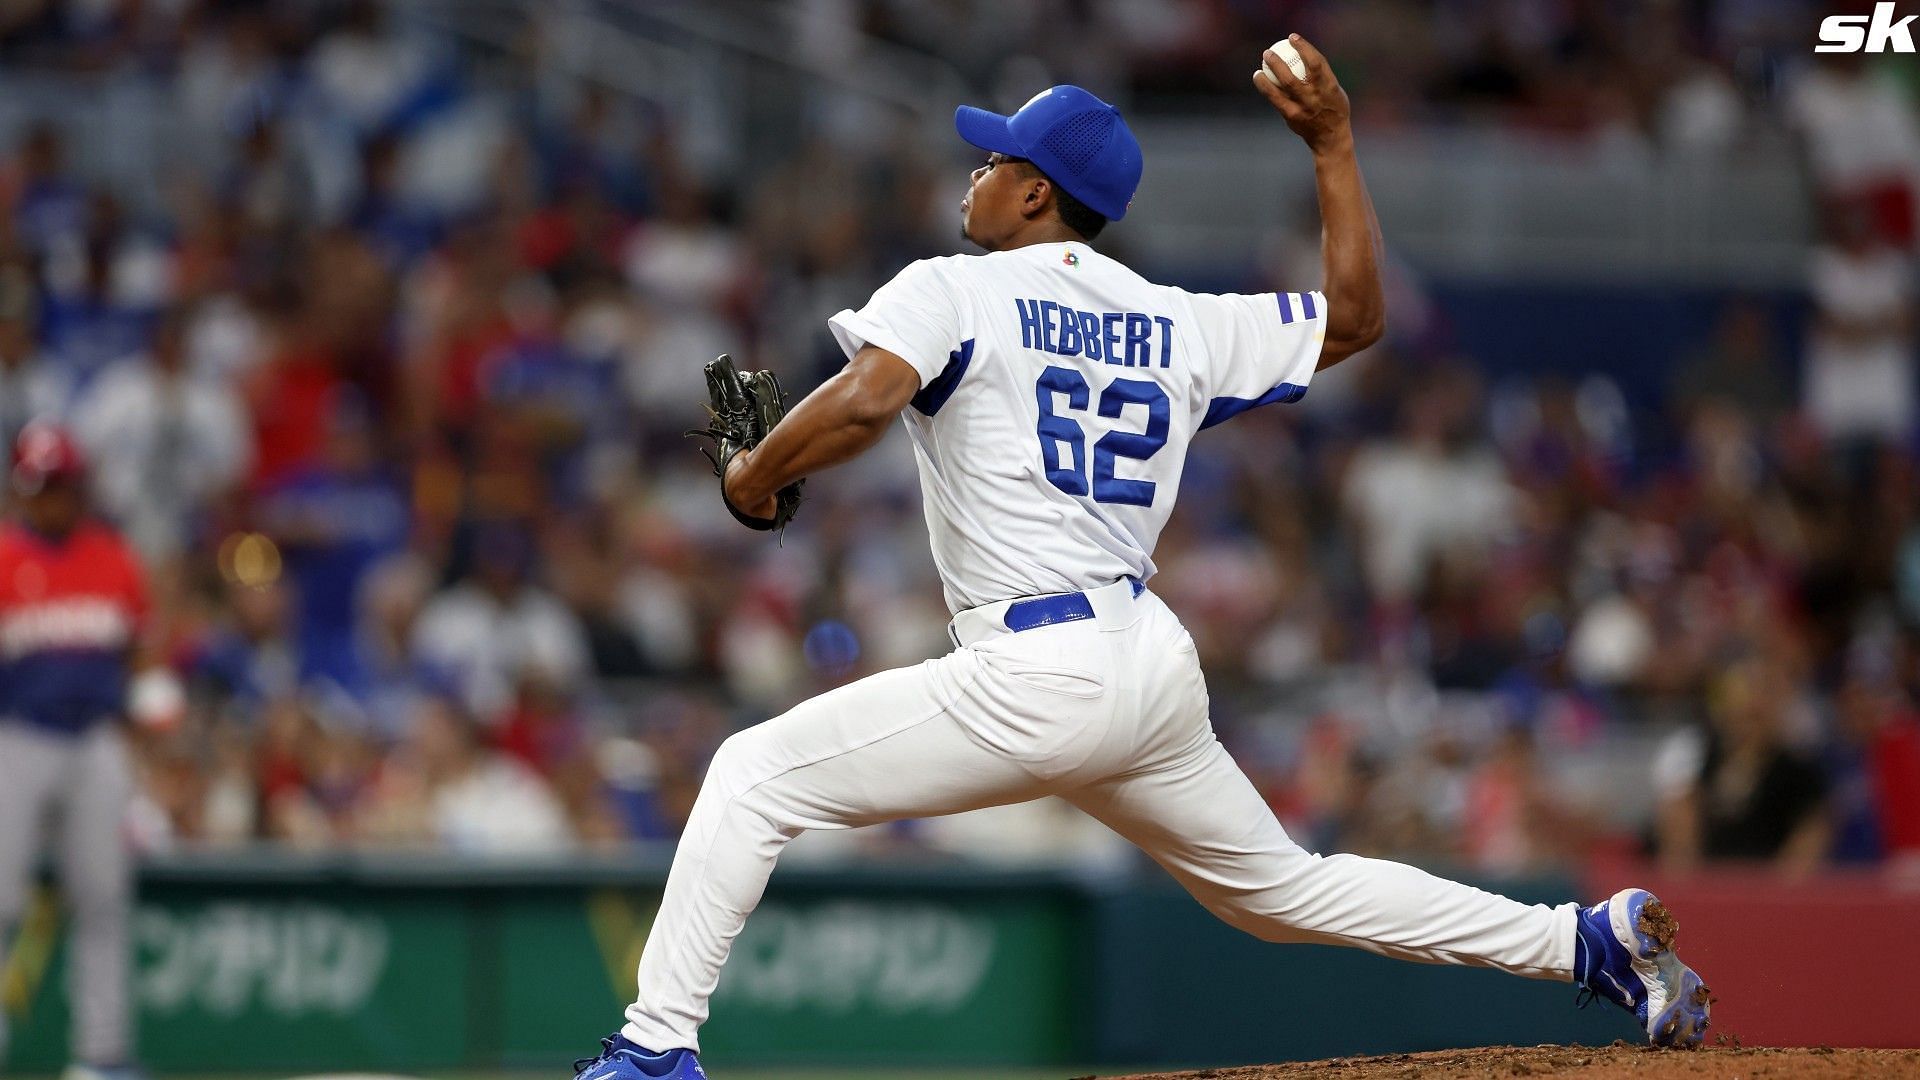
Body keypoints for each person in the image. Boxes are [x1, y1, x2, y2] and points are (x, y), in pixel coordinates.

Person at [572, 39, 1710, 1080]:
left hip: (1033, 672)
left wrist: (753, 475)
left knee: (750, 777)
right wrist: (1333, 144)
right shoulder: (1178, 320)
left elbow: (869, 397)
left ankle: (655, 1049)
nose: (972, 174)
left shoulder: (952, 286)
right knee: (1283, 893)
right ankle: (1583, 942)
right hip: (1146, 668)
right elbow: (1358, 318)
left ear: (1035, 192)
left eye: (992, 160)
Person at [0, 423, 178, 1080]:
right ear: (22, 491)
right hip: (17, 738)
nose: (53, 500)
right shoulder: (4, 557)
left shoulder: (112, 556)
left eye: (63, 486)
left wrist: (149, 701)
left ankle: (102, 1056)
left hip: (96, 740)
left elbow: (141, 645)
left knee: (103, 897)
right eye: (41, 488)